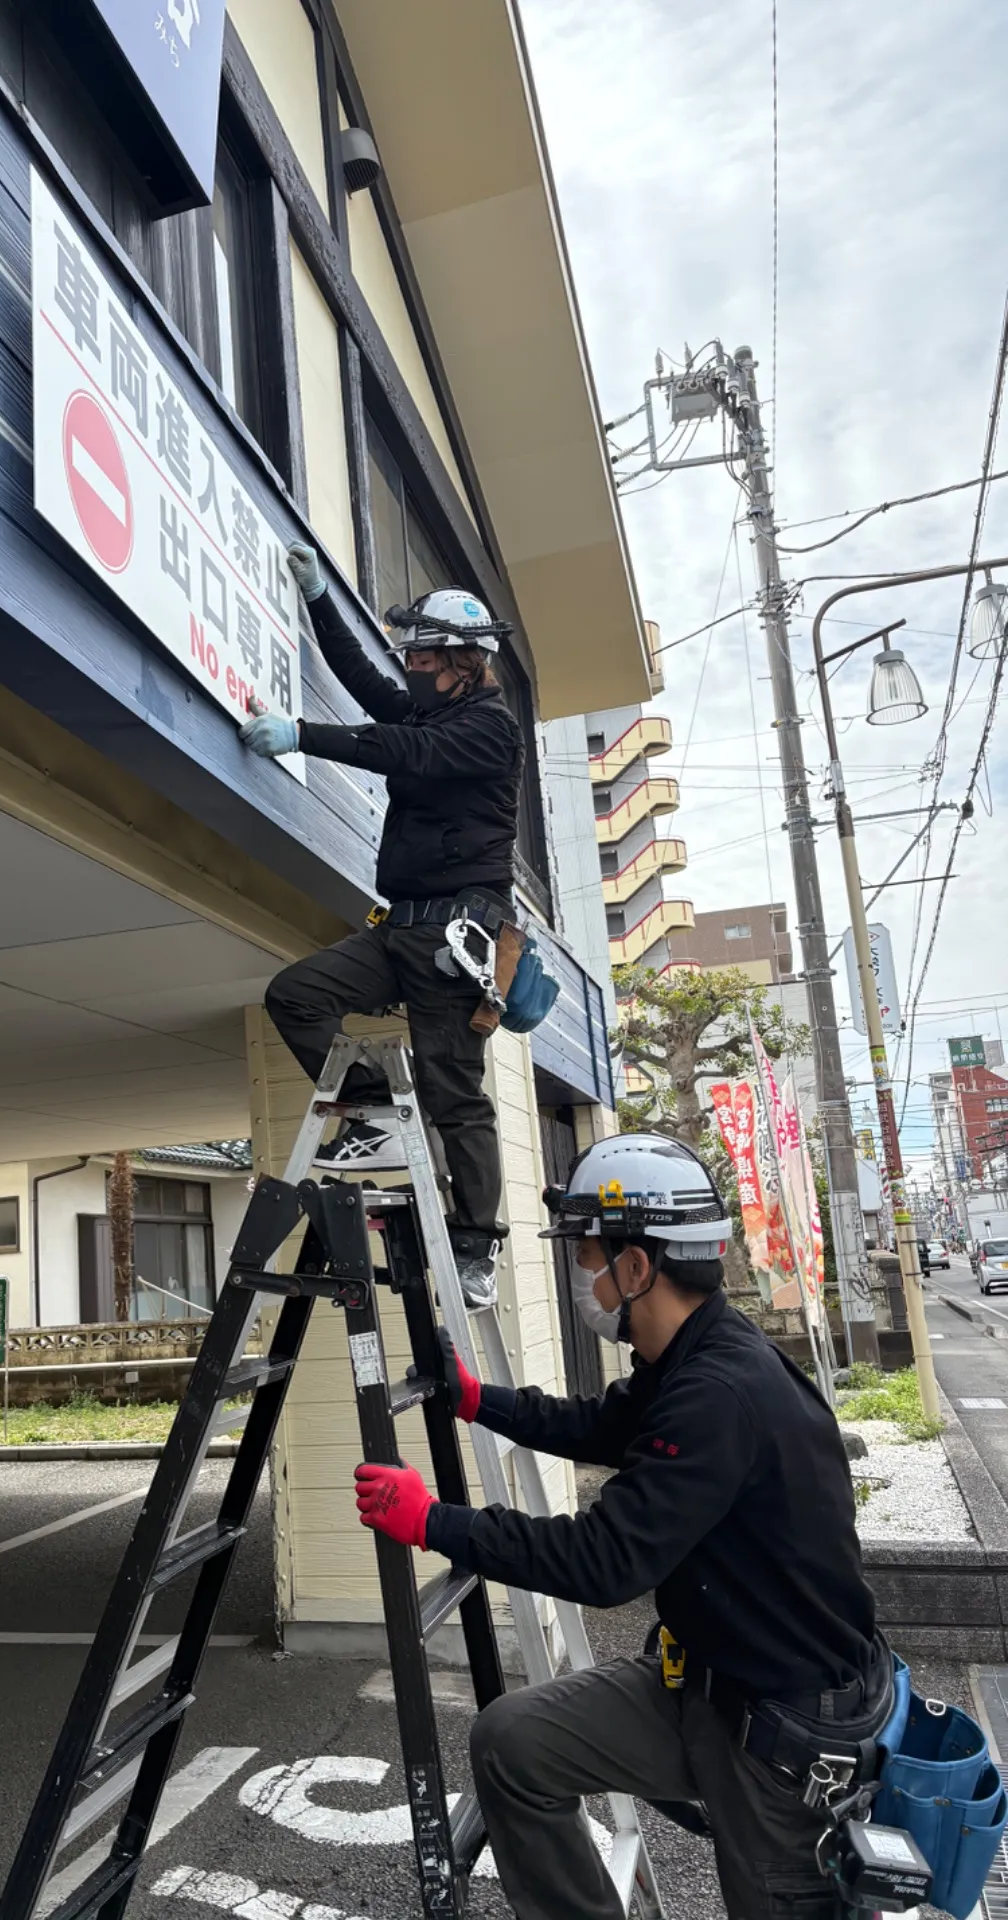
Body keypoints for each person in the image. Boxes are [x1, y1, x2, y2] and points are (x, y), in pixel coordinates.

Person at [352, 1132, 889, 1920]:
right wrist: (479, 1400)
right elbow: (603, 1424)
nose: (583, 1277)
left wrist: (434, 1521)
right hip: (706, 1683)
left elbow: (603, 1562)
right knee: (512, 1746)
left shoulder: (718, 1393)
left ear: (637, 1267)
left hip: (781, 1731)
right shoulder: (688, 1354)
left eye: (588, 1256)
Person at [239, 539, 523, 1306]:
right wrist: (320, 600)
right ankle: (371, 1113)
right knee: (295, 995)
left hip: (457, 941)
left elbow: (402, 747)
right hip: (401, 929)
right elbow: (365, 683)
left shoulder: (487, 728)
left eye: (425, 660)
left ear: (464, 662)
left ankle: (476, 1250)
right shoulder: (435, 705)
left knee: (453, 1092)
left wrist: (300, 734)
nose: (412, 670)